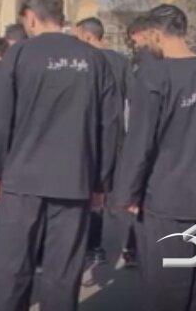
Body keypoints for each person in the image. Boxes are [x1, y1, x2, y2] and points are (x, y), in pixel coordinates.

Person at [0, 0, 120, 311]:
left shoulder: (19, 54)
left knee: (10, 271)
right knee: (63, 273)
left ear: (31, 17)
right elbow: (110, 125)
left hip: (22, 179)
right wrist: (101, 181)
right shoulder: (94, 59)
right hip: (74, 179)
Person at [113, 4, 196, 311]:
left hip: (167, 203)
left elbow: (140, 142)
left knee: (164, 294)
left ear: (156, 33)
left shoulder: (155, 75)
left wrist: (127, 194)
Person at [74, 17, 130, 268]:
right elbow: (131, 100)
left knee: (85, 192)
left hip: (85, 134)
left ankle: (85, 245)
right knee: (103, 193)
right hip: (114, 136)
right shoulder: (121, 61)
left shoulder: (84, 60)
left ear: (87, 36)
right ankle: (98, 247)